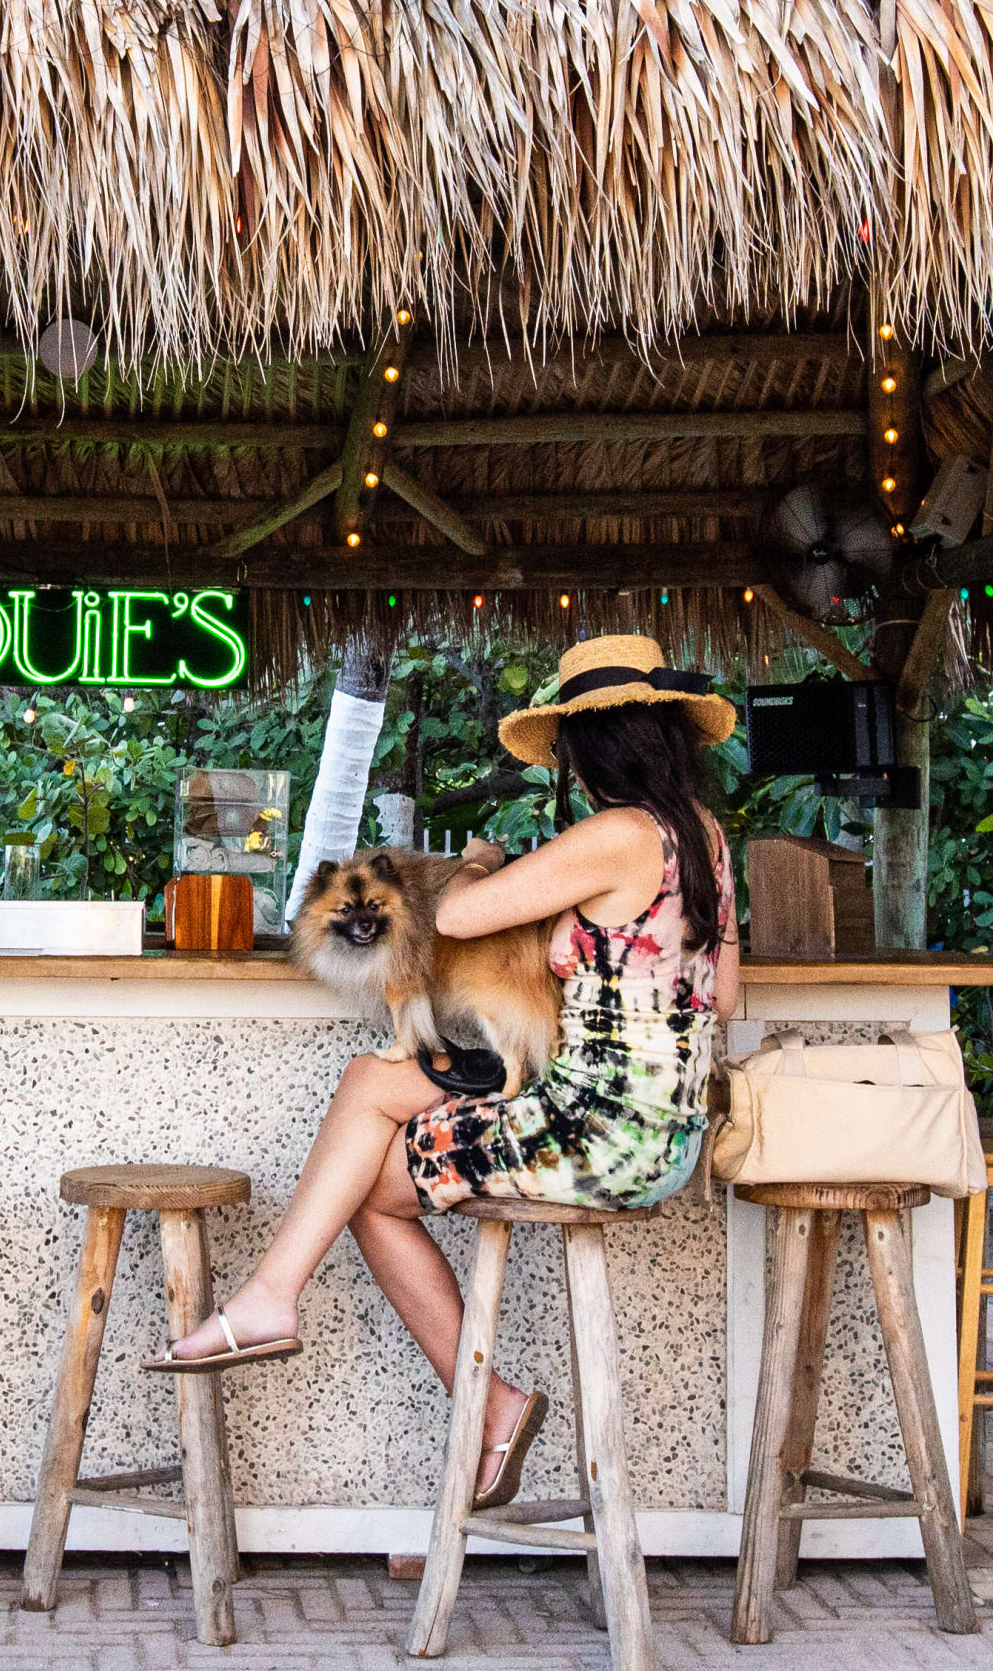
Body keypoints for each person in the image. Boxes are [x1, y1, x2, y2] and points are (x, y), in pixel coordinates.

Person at [149, 636, 737, 1509]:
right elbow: (721, 997)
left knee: (369, 1185)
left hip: (599, 1131)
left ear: (585, 751)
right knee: (370, 1090)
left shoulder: (615, 833)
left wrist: (483, 863)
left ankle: (459, 1388)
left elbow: (455, 914)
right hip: (660, 1128)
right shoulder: (703, 837)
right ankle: (285, 1303)